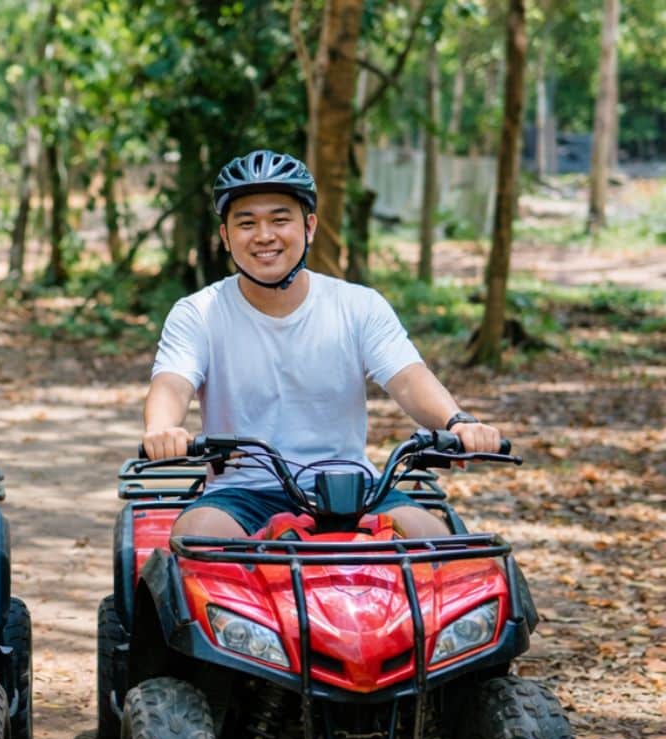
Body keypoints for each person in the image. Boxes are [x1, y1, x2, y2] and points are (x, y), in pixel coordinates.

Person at [141, 149, 502, 538]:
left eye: (280, 220)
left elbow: (409, 379)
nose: (264, 236)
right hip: (243, 493)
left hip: (354, 488)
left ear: (309, 226)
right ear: (226, 236)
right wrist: (162, 429)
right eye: (247, 223)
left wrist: (458, 422)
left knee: (443, 548)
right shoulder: (199, 312)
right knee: (197, 539)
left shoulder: (358, 306)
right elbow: (173, 383)